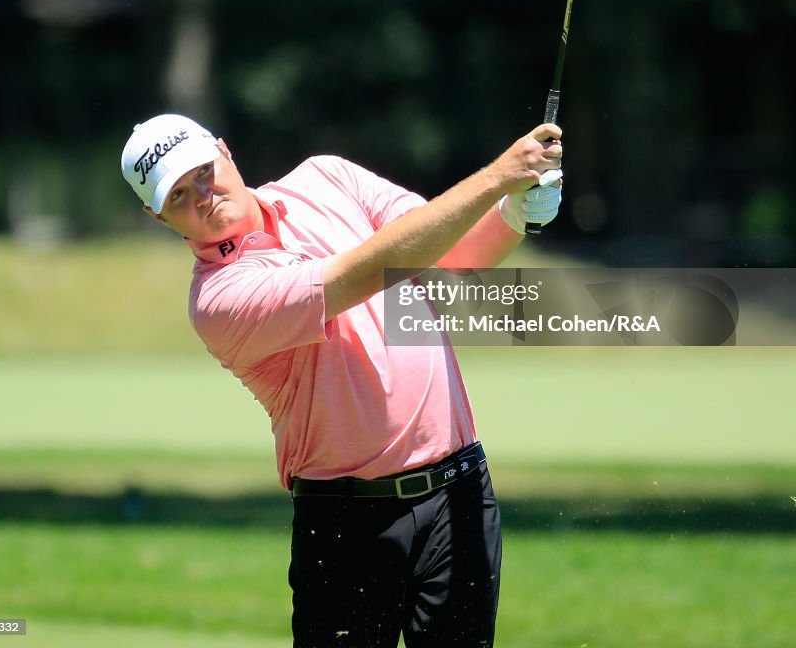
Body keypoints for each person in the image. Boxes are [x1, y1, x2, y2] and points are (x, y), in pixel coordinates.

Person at [120, 113, 563, 648]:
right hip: (347, 521)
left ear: (224, 151)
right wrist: (498, 178)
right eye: (178, 196)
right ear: (157, 216)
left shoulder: (328, 178)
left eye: (203, 171)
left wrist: (512, 214)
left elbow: (454, 256)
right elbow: (367, 270)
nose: (202, 196)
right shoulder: (219, 299)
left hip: (459, 492)